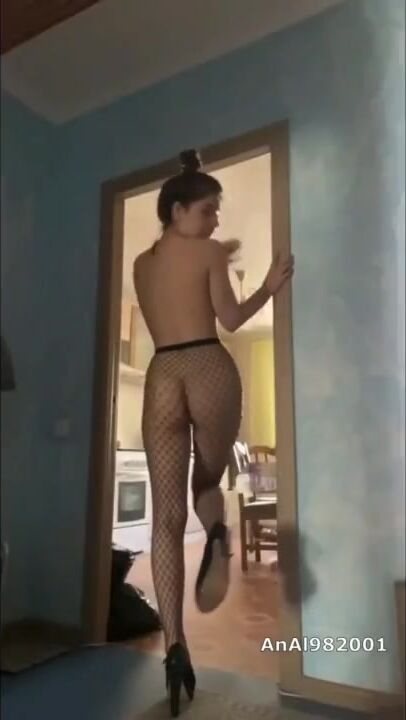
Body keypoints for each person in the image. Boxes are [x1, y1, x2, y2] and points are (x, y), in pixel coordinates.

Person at [133, 149, 294, 717]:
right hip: (206, 365)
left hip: (161, 374)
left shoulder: (141, 263)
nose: (216, 220)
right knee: (208, 475)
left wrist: (216, 250)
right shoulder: (207, 251)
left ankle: (175, 647)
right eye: (208, 210)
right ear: (178, 211)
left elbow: (171, 291)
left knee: (165, 518)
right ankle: (219, 529)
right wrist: (268, 286)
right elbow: (229, 318)